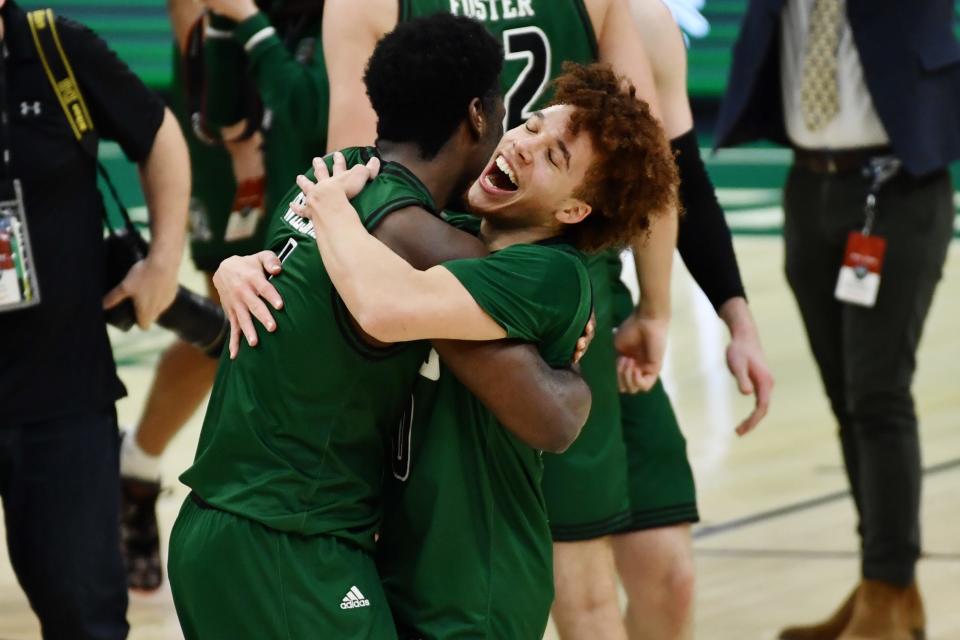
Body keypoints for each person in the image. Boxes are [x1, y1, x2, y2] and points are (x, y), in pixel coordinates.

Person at [318, 0, 773, 636]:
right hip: (465, 275)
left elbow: (660, 161)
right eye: (529, 126)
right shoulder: (365, 8)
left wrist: (658, 310)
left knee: (661, 577)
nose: (524, 136)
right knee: (570, 587)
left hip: (549, 282)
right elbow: (360, 171)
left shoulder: (615, 14)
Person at [167, 15, 600, 638]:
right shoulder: (428, 242)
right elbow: (552, 417)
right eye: (516, 115)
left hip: (220, 527)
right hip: (291, 544)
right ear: (479, 114)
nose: (513, 131)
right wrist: (571, 357)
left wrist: (230, 266)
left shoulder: (332, 177)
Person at [715, 1, 959, 638]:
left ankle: (888, 585)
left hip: (897, 187)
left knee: (878, 394)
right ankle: (885, 588)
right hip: (808, 185)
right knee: (846, 398)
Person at [118, 0, 328, 591]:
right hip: (240, 117)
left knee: (293, 312)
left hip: (316, 75)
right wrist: (233, 132)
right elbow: (197, 23)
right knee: (240, 315)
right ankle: (141, 472)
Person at [0, 0, 189, 636]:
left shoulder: (59, 49)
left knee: (87, 618)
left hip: (64, 393)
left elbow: (159, 133)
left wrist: (163, 259)